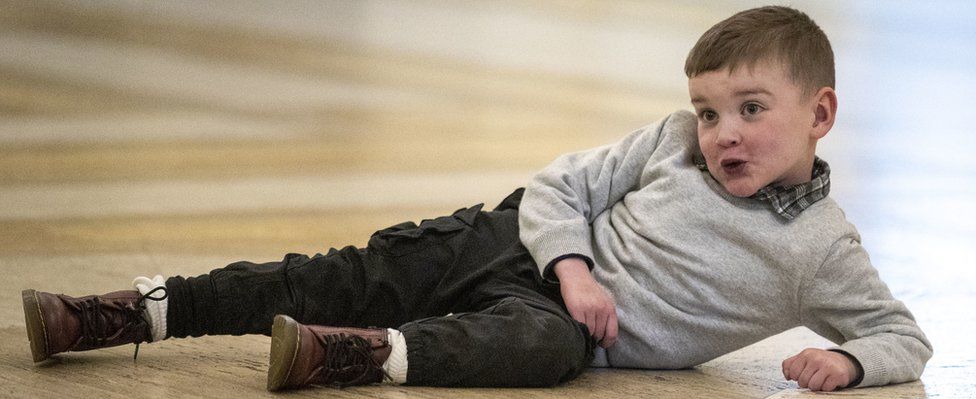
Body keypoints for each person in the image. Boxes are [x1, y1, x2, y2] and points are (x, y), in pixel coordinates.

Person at [21, 5, 931, 393]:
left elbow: (902, 336)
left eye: (750, 109)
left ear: (821, 114)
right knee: (343, 273)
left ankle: (353, 359)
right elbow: (558, 185)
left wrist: (849, 367)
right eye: (708, 109)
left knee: (541, 347)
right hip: (517, 246)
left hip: (568, 328)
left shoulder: (822, 249)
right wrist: (572, 267)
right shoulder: (671, 144)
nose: (721, 131)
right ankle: (127, 310)